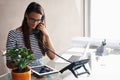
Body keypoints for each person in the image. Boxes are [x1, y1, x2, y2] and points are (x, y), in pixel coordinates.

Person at [6, 2, 55, 80]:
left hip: (40, 74)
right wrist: (23, 65)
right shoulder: (14, 34)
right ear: (26, 15)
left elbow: (52, 57)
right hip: (23, 73)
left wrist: (47, 35)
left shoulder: (40, 33)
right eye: (32, 19)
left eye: (38, 20)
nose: (35, 23)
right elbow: (9, 63)